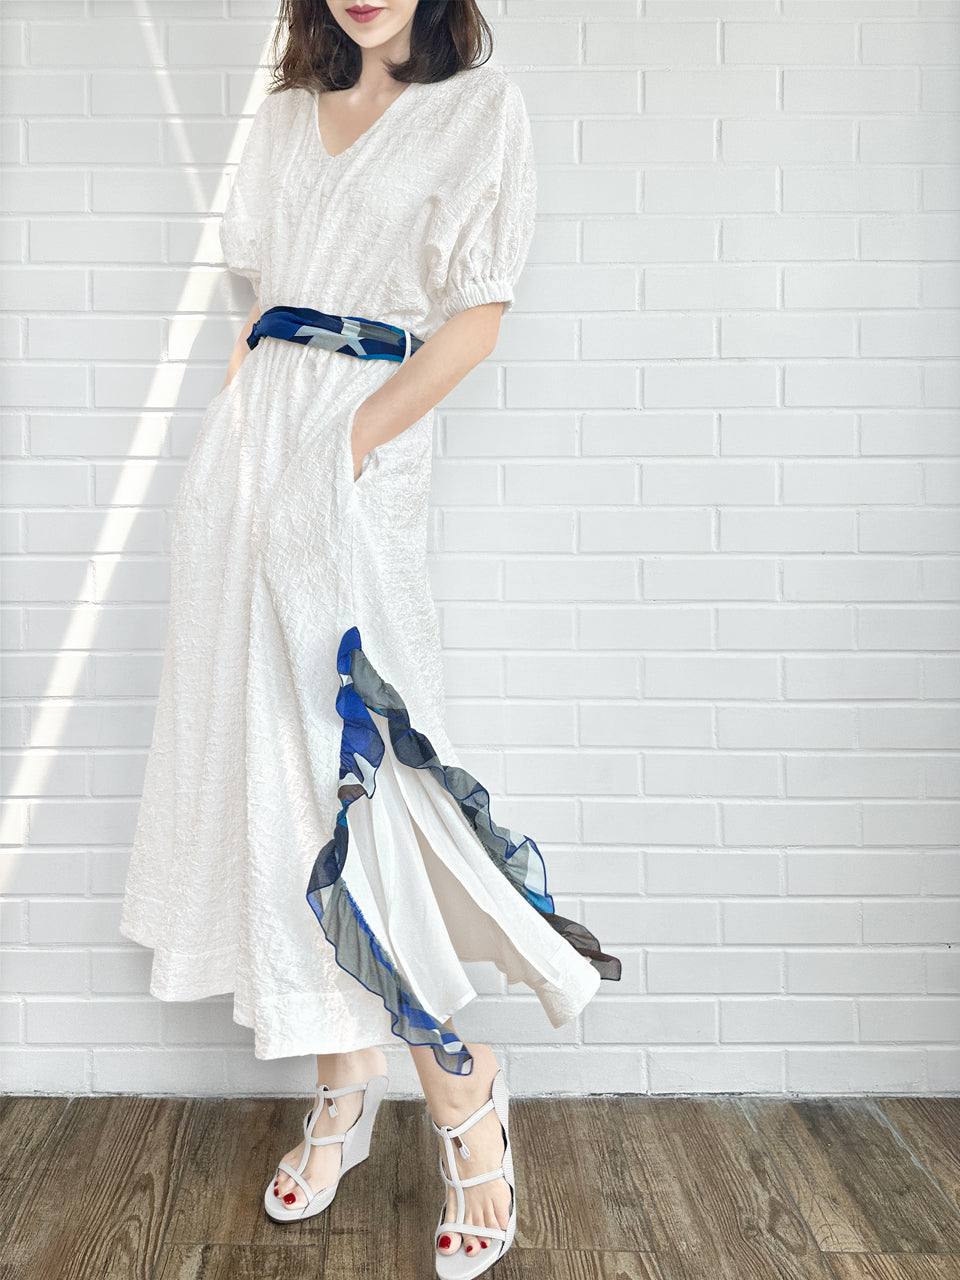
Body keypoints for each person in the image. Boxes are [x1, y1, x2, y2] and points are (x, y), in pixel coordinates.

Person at [118, 1, 621, 1274]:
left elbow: (477, 317)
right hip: (247, 461)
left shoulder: (475, 110)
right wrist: (227, 464)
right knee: (268, 774)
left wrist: (346, 444)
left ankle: (460, 1085)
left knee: (360, 769)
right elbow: (262, 308)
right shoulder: (287, 113)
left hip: (358, 446)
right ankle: (345, 1078)